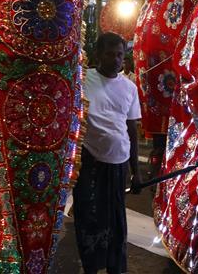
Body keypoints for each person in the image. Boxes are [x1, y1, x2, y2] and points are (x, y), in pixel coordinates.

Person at [74, 32, 142, 274]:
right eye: (110, 54)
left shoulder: (130, 88)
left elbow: (132, 130)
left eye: (119, 55)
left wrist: (136, 171)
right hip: (90, 161)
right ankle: (91, 267)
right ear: (98, 55)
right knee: (88, 217)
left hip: (119, 163)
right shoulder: (83, 79)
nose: (115, 60)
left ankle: (115, 268)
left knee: (115, 221)